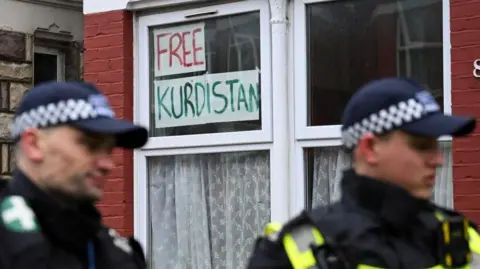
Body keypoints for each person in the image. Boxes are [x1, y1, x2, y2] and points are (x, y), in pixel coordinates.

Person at [246, 77, 480, 269]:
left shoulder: (464, 238)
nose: (438, 160)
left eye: (436, 145)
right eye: (421, 145)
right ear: (370, 148)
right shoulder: (293, 252)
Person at [0, 81, 149, 269]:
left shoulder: (115, 254)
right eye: (90, 144)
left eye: (109, 150)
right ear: (34, 144)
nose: (108, 164)